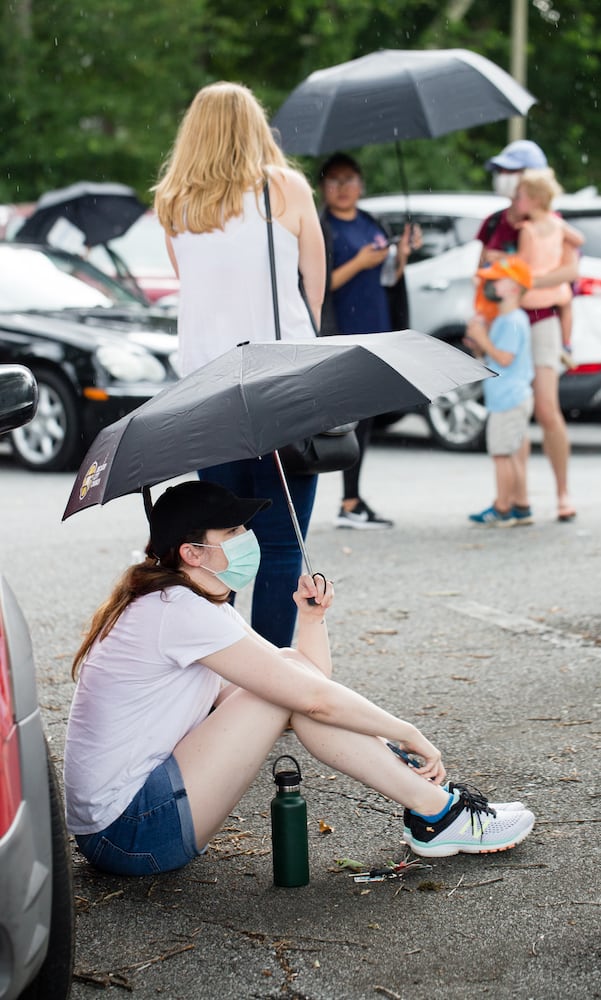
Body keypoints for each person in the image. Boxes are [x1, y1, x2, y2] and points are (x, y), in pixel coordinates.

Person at [63, 480, 535, 876]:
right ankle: (437, 812)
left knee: (284, 670)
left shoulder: (185, 601)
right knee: (285, 689)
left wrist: (311, 620)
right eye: (232, 530)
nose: (247, 536)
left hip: (129, 819)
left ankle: (434, 808)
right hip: (132, 832)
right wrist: (408, 733)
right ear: (193, 552)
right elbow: (309, 698)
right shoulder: (179, 610)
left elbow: (305, 681)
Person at [152, 82, 326, 648]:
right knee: (279, 541)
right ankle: (273, 677)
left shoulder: (175, 201)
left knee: (217, 541)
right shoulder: (286, 189)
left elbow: (194, 285)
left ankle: (224, 670)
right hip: (282, 380)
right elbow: (314, 289)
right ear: (255, 127)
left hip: (207, 388)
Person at [466, 140, 582, 523]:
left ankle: (563, 493)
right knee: (510, 403)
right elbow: (483, 273)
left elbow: (569, 272)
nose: (505, 180)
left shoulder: (554, 223)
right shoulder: (496, 222)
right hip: (505, 319)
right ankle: (518, 499)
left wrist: (520, 275)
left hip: (542, 318)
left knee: (547, 408)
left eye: (512, 173)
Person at [318, 153, 419, 530]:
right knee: (345, 419)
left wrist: (402, 255)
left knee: (366, 420)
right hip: (340, 332)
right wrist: (359, 263)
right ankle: (349, 501)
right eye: (335, 180)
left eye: (350, 180)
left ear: (361, 185)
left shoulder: (370, 223)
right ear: (323, 187)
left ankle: (352, 499)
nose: (343, 188)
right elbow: (317, 283)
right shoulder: (321, 227)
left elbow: (389, 278)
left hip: (377, 328)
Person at [467, 256, 534, 526]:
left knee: (501, 455)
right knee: (514, 453)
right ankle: (521, 504)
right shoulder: (507, 319)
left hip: (508, 400)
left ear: (515, 288)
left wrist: (483, 339)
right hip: (510, 397)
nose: (492, 283)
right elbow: (496, 358)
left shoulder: (512, 320)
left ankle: (502, 507)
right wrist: (478, 345)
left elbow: (505, 358)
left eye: (498, 279)